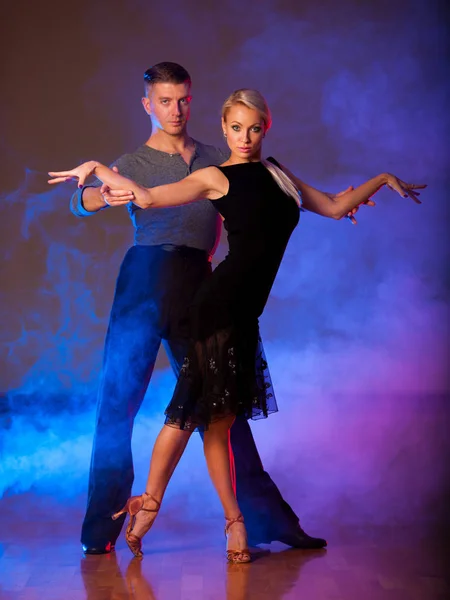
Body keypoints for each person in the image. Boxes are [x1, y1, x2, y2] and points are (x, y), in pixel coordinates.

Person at [49, 88, 424, 562]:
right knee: (190, 413)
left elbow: (331, 207)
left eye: (253, 128)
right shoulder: (214, 176)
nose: (244, 137)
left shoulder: (278, 175)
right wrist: (97, 170)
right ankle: (172, 512)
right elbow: (143, 197)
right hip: (215, 305)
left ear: (265, 128)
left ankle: (203, 516)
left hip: (243, 311)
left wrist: (382, 178)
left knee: (216, 421)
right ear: (223, 128)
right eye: (235, 128)